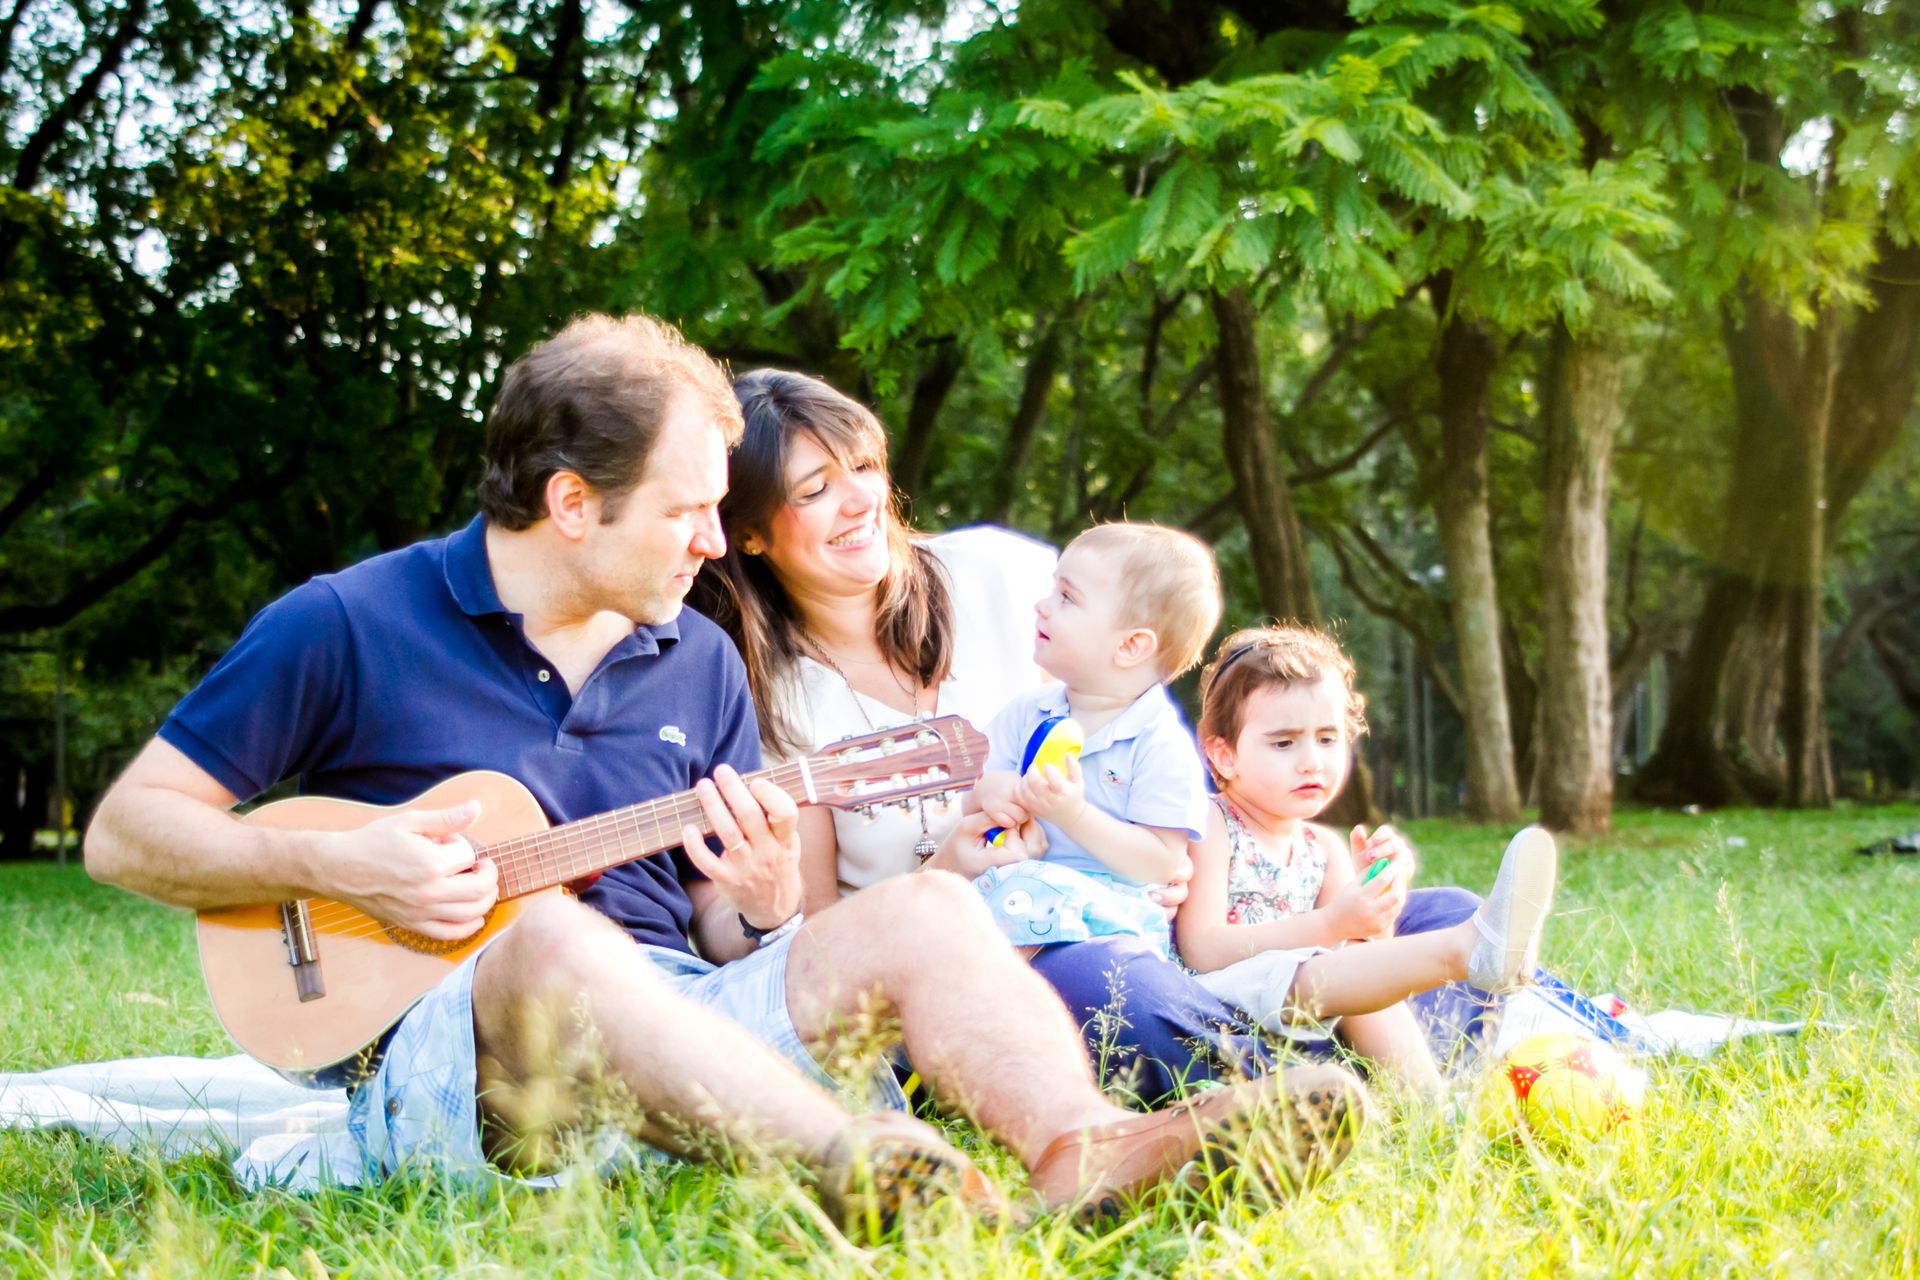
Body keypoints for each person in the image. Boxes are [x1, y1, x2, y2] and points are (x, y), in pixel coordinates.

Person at [84, 313, 1365, 1228]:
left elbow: (713, 929)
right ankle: (851, 1165)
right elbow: (127, 832)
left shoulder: (697, 657)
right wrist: (334, 859)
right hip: (457, 1068)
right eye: (686, 509)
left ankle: (1082, 1147)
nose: (714, 540)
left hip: (687, 1019)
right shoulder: (348, 622)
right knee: (549, 938)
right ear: (572, 503)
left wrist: (753, 902)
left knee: (925, 905)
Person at [693, 367, 1480, 1101]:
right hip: (1002, 965)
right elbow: (817, 940)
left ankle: (1389, 1028)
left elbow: (1143, 715)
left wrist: (1175, 853)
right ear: (752, 533)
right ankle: (1299, 1081)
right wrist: (954, 870)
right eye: (815, 489)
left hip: (1153, 918)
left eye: (865, 466)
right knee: (1116, 988)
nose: (861, 499)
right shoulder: (762, 702)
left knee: (1442, 912)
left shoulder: (1001, 575)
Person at [1178, 626, 1558, 1094]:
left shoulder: (1322, 847)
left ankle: (1433, 1099)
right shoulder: (1213, 824)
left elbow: (1359, 950)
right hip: (1222, 1008)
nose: (1312, 761)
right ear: (1224, 755)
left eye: (1327, 739)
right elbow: (1202, 950)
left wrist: (1377, 904)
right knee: (1332, 964)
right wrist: (1331, 923)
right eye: (1284, 743)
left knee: (1359, 958)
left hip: (1307, 1009)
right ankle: (1472, 954)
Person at [966, 523, 1219, 957]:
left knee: (1026, 896)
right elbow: (969, 791)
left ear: (1130, 646)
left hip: (1109, 919)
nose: (1042, 605)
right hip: (1014, 892)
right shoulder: (1029, 711)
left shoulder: (1160, 743)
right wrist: (990, 790)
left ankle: (995, 988)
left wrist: (1073, 814)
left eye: (1067, 597)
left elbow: (1162, 861)